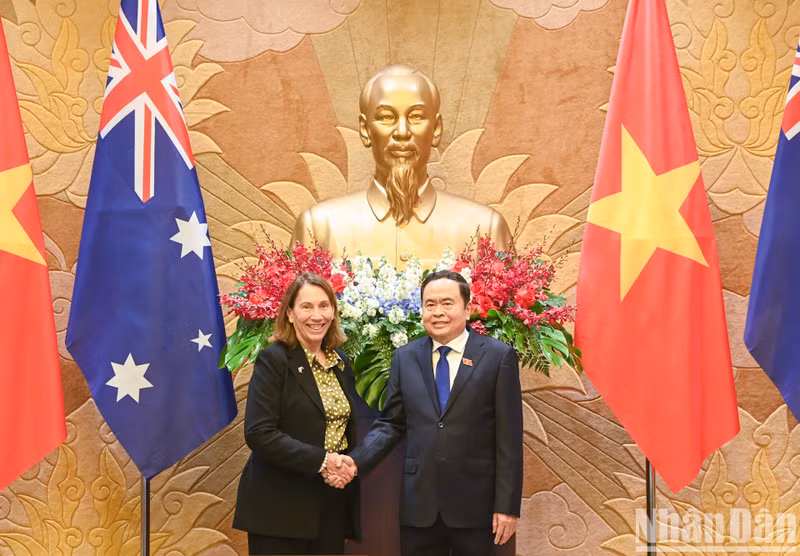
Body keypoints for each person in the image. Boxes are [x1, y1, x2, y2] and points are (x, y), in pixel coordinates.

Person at [330, 270, 523, 556]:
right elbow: (391, 424)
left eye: (447, 303)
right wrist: (354, 461)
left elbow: (509, 438)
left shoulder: (497, 357)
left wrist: (507, 506)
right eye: (430, 304)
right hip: (420, 506)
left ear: (467, 309)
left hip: (477, 507)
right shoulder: (405, 357)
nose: (438, 312)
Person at [292, 65, 512, 268]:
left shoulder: (485, 229)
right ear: (365, 130)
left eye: (416, 117)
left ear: (436, 128)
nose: (402, 132)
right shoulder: (319, 228)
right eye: (386, 117)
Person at [233, 272, 361, 555]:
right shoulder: (274, 359)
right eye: (306, 307)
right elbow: (259, 433)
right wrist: (323, 461)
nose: (317, 315)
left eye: (324, 306)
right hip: (281, 507)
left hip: (331, 503)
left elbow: (341, 431)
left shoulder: (341, 363)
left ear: (334, 312)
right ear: (290, 314)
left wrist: (344, 466)